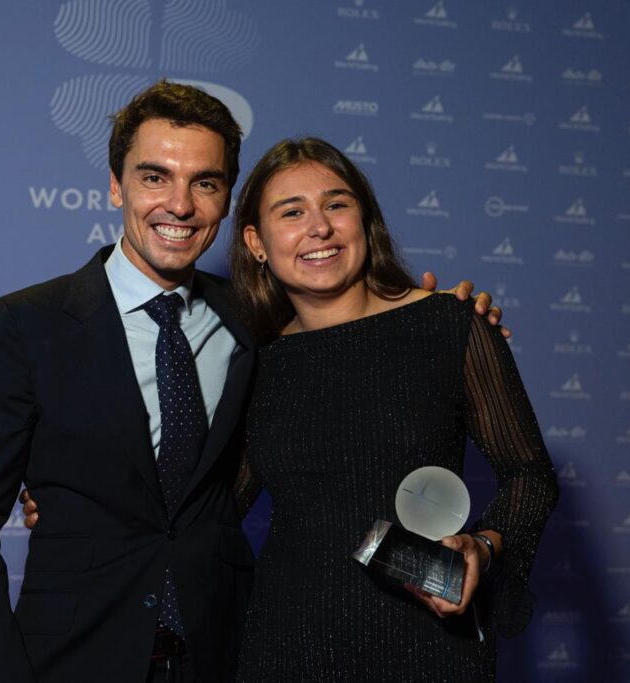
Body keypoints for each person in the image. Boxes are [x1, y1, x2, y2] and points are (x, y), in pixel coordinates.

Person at [0, 80, 502, 683]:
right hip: (74, 657)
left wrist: (440, 315)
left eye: (204, 182)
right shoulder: (28, 325)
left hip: (225, 653)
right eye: (155, 177)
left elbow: (344, 342)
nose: (179, 205)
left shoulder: (253, 321)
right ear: (116, 184)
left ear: (228, 198)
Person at [227, 138, 559, 682]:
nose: (319, 228)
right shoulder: (255, 365)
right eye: (291, 212)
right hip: (286, 648)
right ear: (256, 242)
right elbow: (212, 511)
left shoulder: (448, 324)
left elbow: (531, 475)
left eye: (336, 204)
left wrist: (482, 548)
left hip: (428, 646)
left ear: (365, 220)